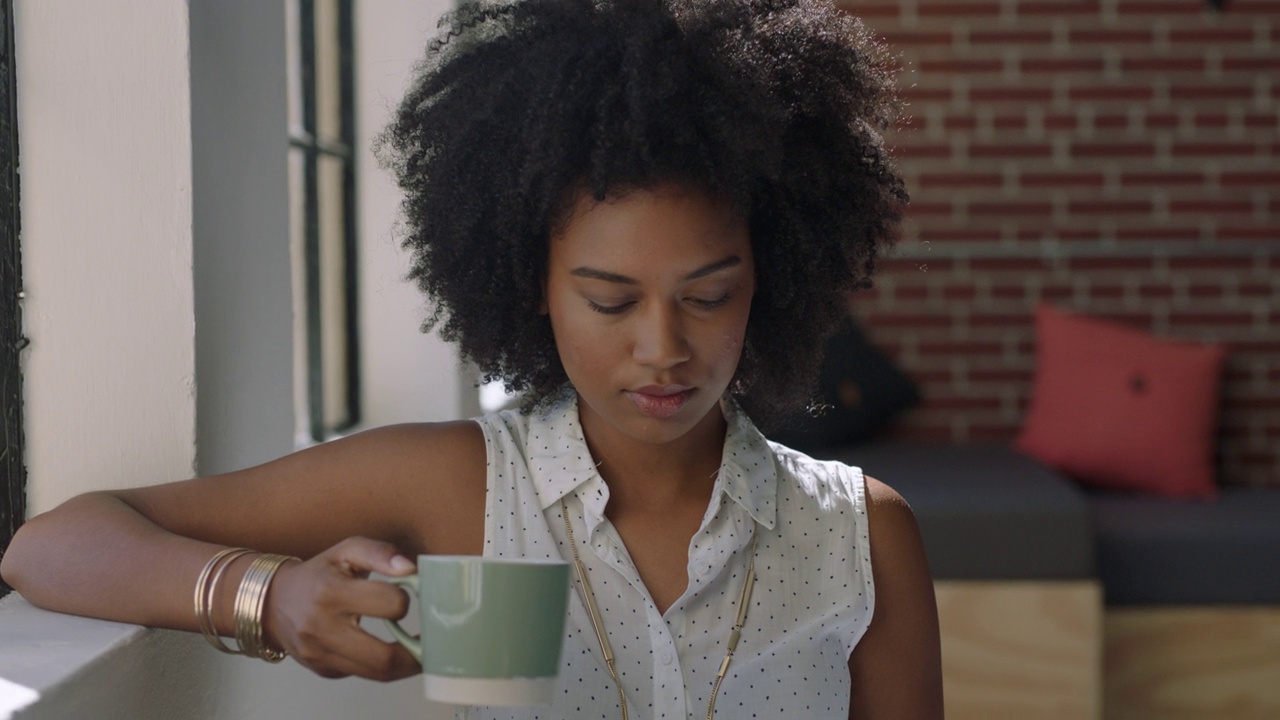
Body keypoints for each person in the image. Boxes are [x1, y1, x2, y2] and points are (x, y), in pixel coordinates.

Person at [1, 0, 942, 717]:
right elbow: (51, 548)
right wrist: (273, 596)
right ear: (530, 280)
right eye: (609, 300)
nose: (662, 349)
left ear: (768, 279)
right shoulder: (458, 488)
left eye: (708, 295)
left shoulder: (859, 539)